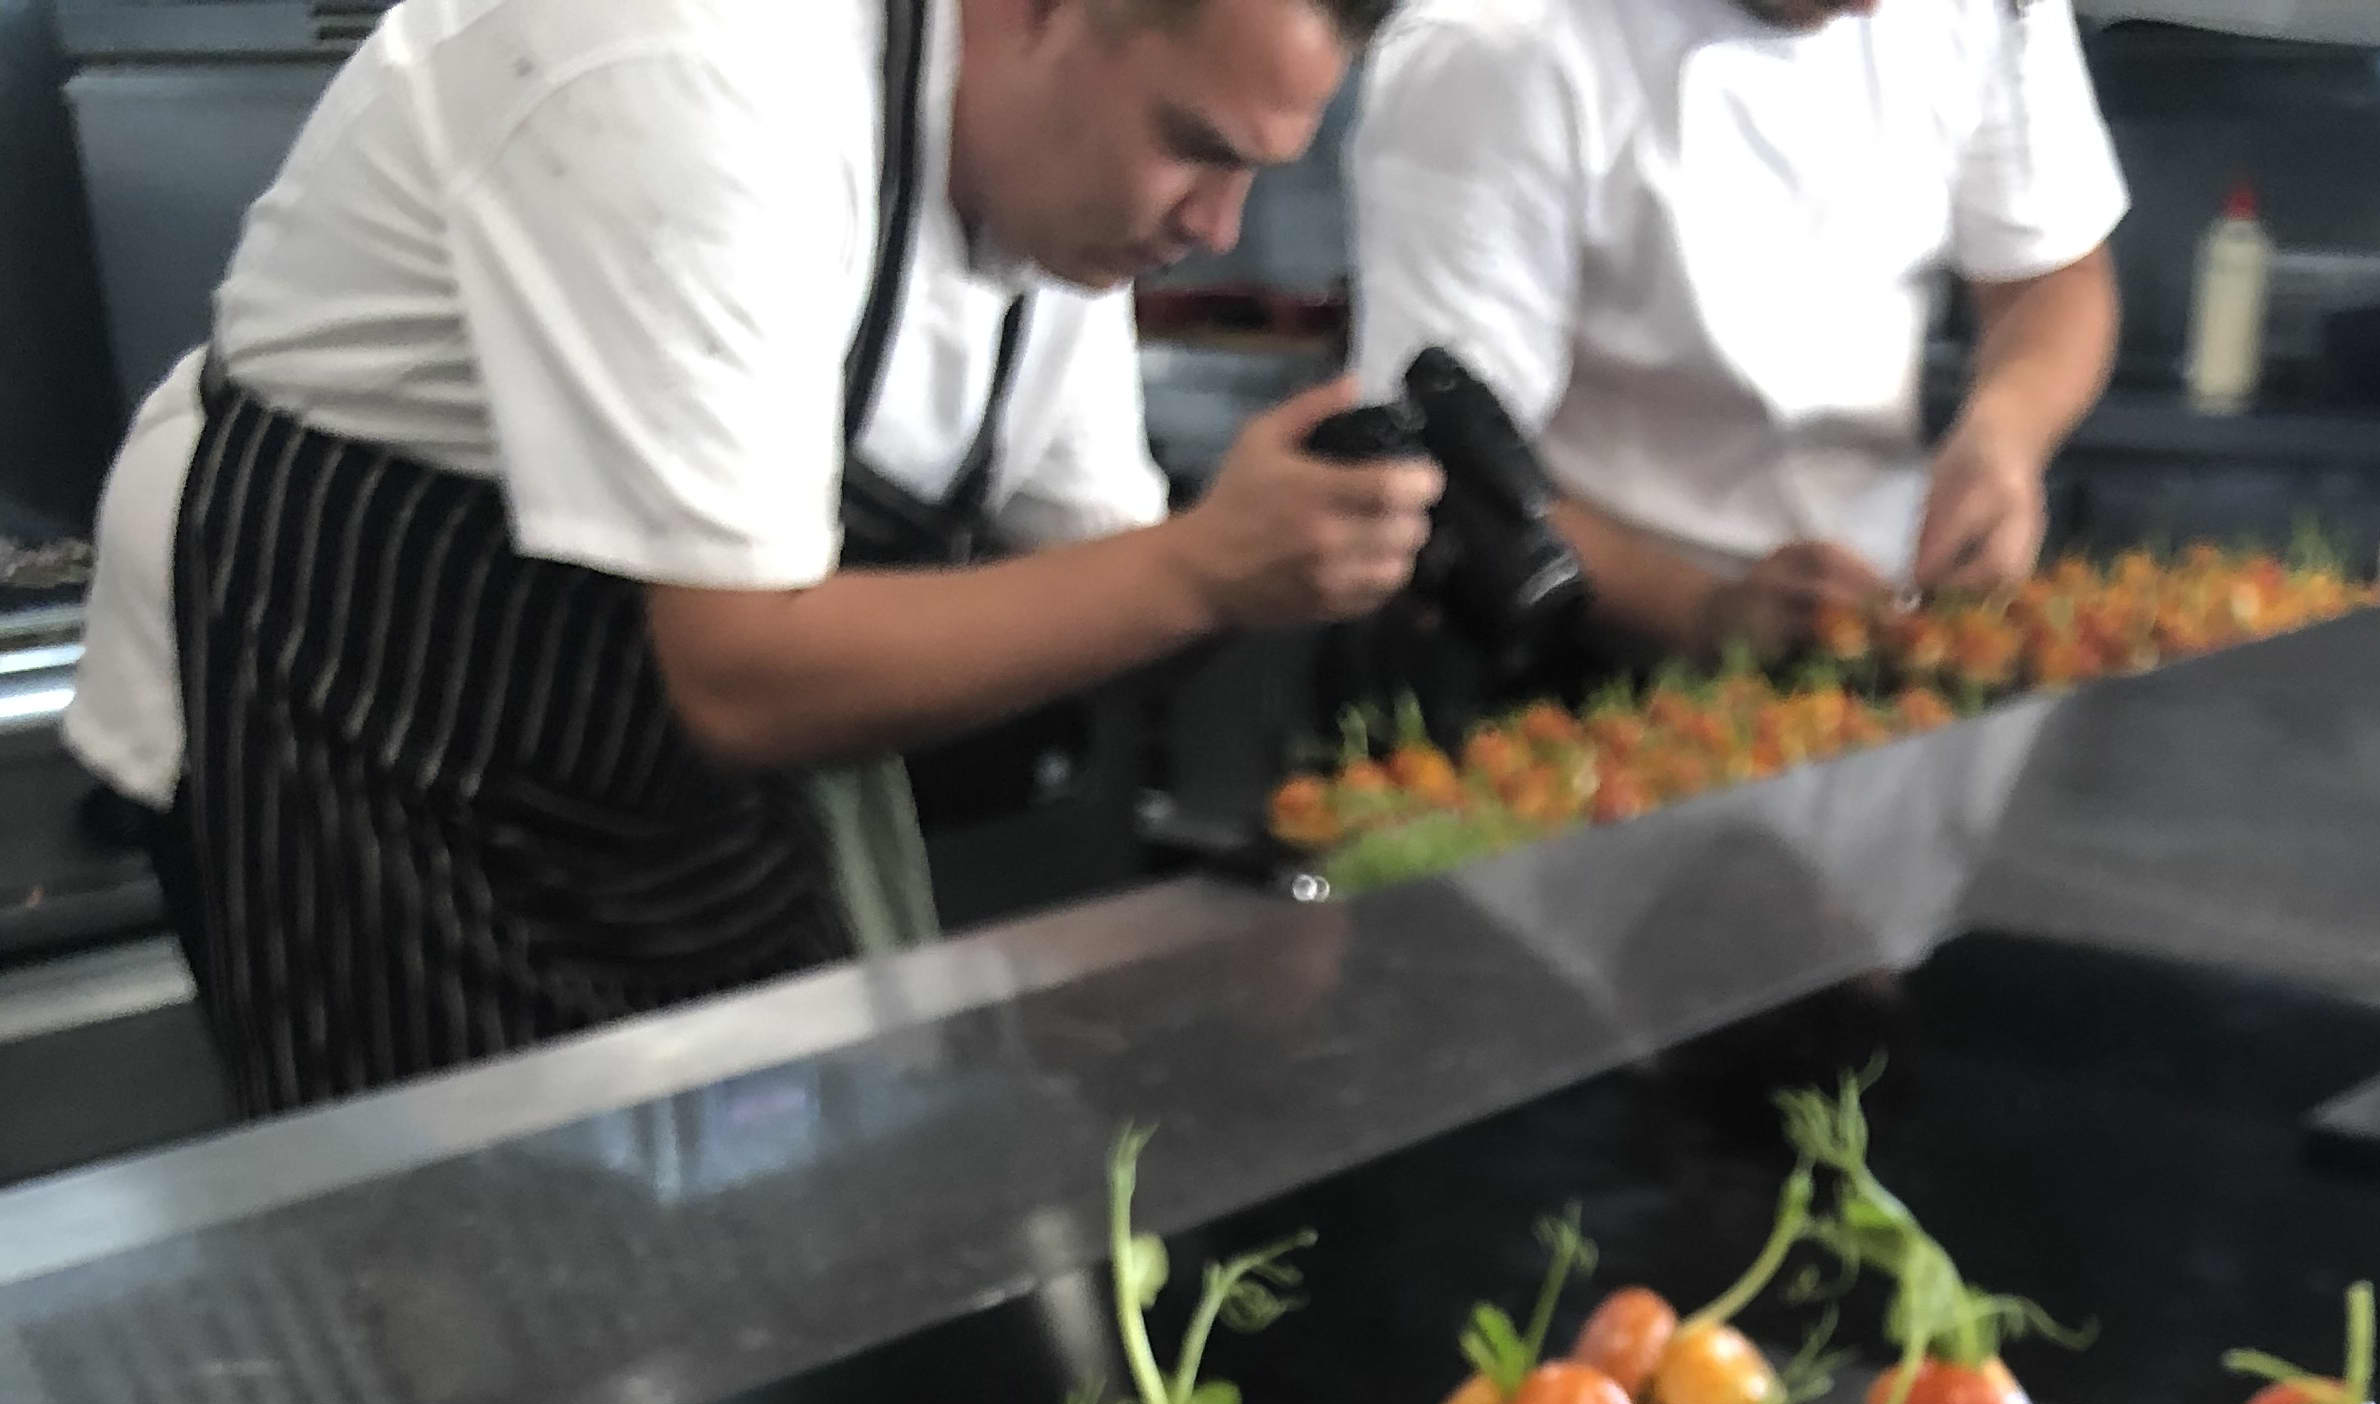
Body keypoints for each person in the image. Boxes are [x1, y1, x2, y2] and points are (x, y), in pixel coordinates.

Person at [64, 0, 1437, 1117]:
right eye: (1194, 148)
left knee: (781, 1200)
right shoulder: (690, 58)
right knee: (470, 1283)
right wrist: (1199, 571)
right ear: (1035, 14)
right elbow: (743, 673)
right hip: (362, 709)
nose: (1216, 226)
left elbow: (1094, 563)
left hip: (657, 760)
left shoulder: (1041, 180)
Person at [1348, 0, 2123, 667]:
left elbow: (2052, 275)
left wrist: (2004, 438)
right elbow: (1435, 470)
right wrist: (1703, 611)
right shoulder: (1494, 45)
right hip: (1588, 655)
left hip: (1880, 632)